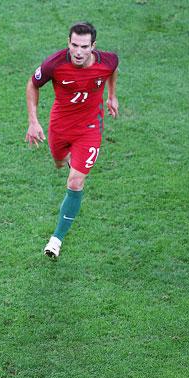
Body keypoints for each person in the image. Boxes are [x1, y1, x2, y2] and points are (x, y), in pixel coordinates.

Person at [25, 21, 119, 258]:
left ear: (93, 46)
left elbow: (113, 70)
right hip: (59, 127)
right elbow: (32, 84)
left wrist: (112, 96)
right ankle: (70, 163)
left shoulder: (107, 61)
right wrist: (33, 121)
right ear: (68, 42)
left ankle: (56, 239)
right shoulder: (54, 64)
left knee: (75, 183)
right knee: (58, 163)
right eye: (74, 45)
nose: (78, 52)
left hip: (88, 130)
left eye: (84, 46)